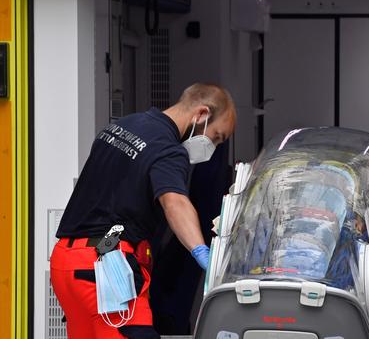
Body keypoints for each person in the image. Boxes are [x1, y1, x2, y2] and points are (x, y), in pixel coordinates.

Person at [50, 83, 236, 338]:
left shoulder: (124, 125)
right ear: (201, 114)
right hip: (106, 269)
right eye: (216, 137)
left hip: (67, 263)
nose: (212, 147)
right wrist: (202, 252)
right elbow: (175, 202)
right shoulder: (169, 150)